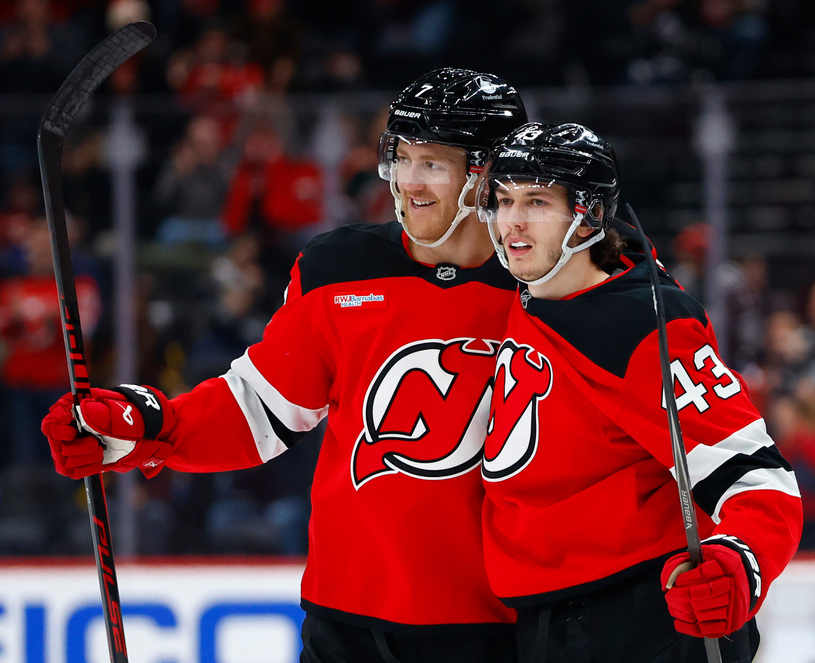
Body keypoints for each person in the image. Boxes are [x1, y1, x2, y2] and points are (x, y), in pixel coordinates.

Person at [41, 67, 528, 663]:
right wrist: (145, 426)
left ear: (490, 173)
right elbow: (260, 410)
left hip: (502, 628)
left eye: (434, 163)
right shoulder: (339, 268)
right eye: (401, 156)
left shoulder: (556, 286)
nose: (408, 182)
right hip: (345, 626)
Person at [476, 122, 802, 662]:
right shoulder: (528, 291)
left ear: (588, 216)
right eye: (504, 200)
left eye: (535, 200)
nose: (512, 220)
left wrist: (738, 562)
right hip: (540, 621)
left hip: (644, 620)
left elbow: (759, 479)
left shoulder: (646, 326)